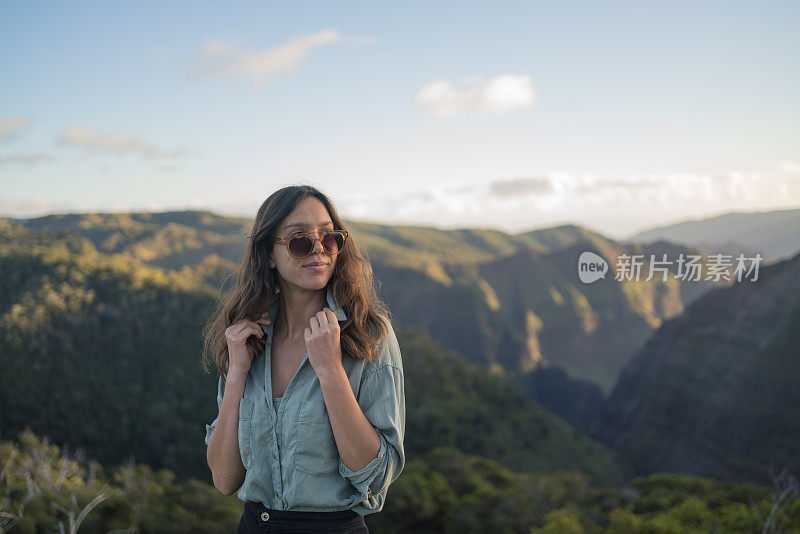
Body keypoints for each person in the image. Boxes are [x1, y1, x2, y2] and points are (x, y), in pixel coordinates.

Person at [202, 185, 405, 533]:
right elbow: (223, 479)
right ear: (268, 253)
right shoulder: (249, 340)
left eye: (329, 238)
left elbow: (375, 477)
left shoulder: (368, 335)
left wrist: (329, 369)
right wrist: (236, 374)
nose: (318, 251)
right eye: (299, 241)